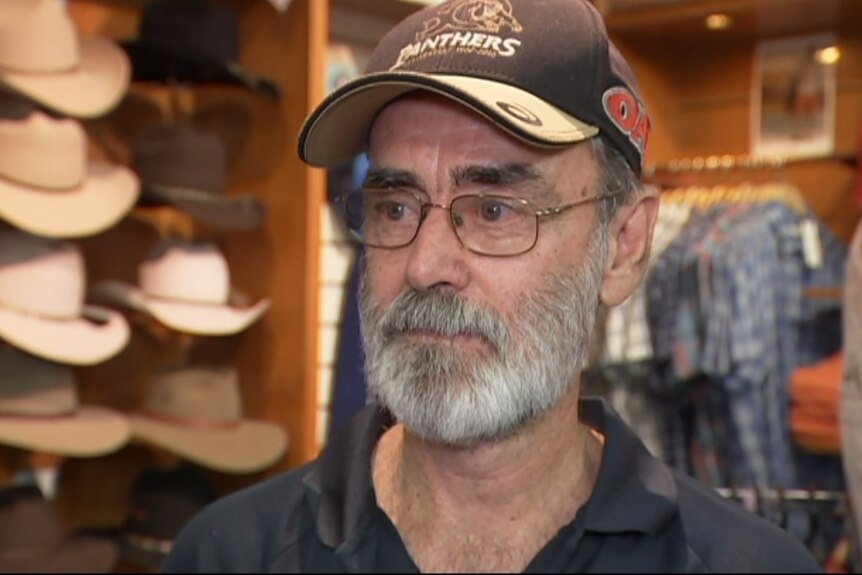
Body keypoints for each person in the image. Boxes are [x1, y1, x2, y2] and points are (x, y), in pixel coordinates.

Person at [163, 0, 822, 572]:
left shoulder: (747, 565)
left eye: (495, 210)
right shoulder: (228, 555)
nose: (425, 265)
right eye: (396, 208)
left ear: (622, 247)